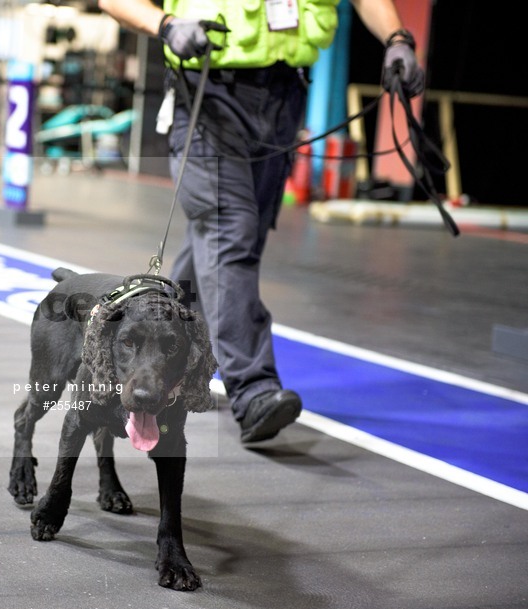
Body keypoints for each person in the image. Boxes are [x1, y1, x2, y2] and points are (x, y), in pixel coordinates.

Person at [97, 0, 425, 443]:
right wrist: (166, 24)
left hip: (283, 101)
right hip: (207, 94)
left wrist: (397, 39)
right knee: (228, 232)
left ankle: (171, 367)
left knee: (218, 242)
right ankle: (252, 389)